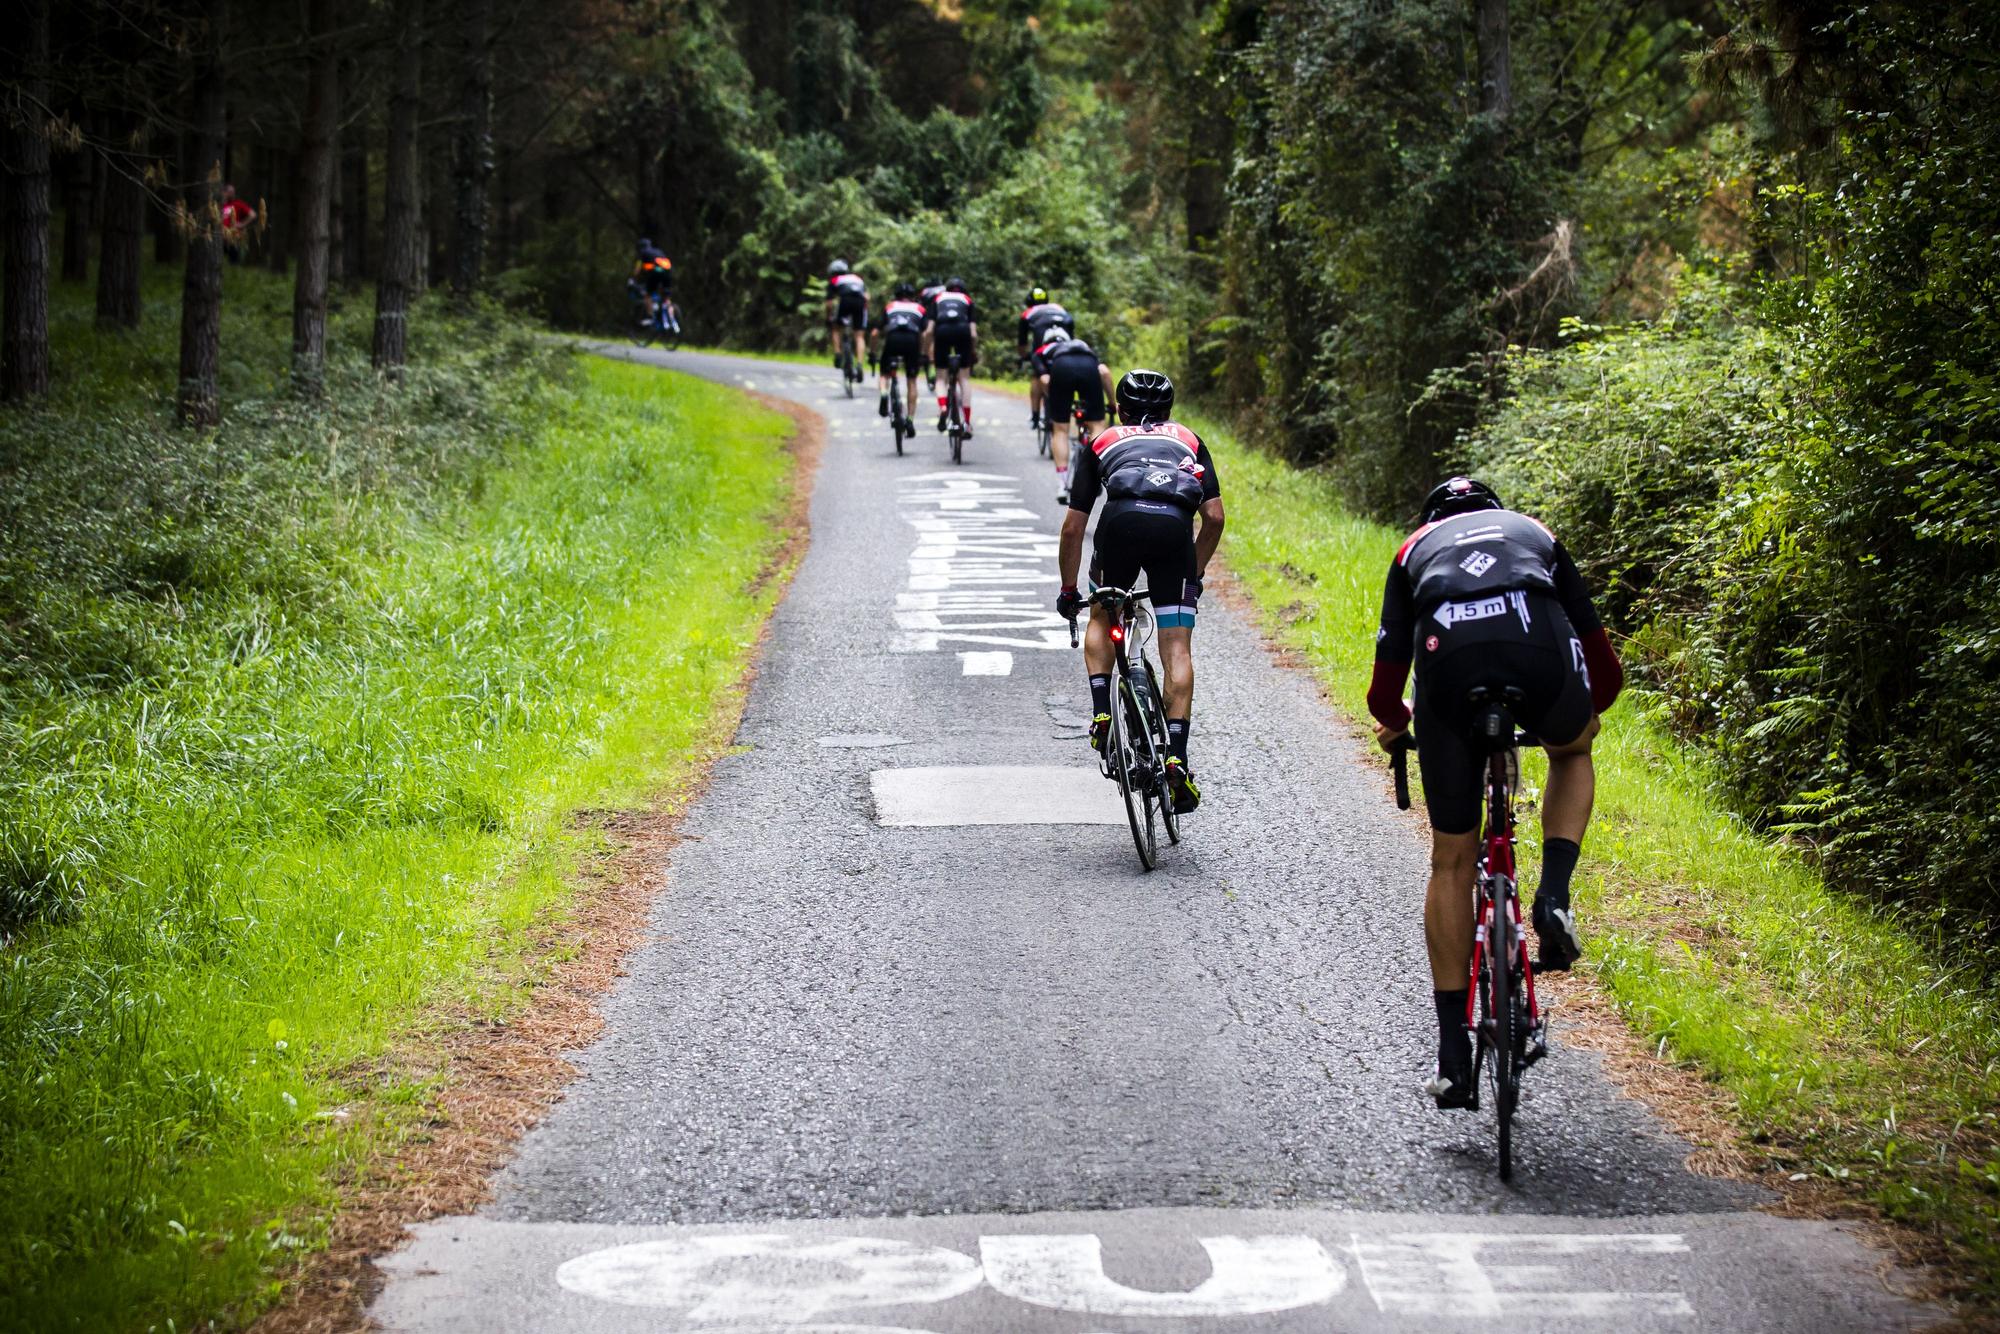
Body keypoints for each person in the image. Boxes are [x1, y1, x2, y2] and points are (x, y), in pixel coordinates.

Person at [1365, 476, 1624, 1110]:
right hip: (1535, 648)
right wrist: (1572, 721)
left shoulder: (1411, 550)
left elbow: (1383, 693)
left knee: (1451, 860)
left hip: (1449, 664)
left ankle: (1454, 1058)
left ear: (1431, 519)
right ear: (1495, 513)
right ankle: (1553, 894)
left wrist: (1399, 728)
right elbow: (1606, 669)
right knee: (1573, 751)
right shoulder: (1536, 534)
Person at [1055, 370, 1225, 816]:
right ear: (1169, 411)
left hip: (1121, 527)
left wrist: (1070, 591)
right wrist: (1197, 571)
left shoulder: (1102, 441)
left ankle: (1101, 711)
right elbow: (1215, 518)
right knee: (1176, 649)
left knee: (1102, 617)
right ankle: (1176, 758)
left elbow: (1074, 527)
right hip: (1174, 532)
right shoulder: (1188, 438)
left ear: (1119, 408)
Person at [1031, 330, 1115, 505]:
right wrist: (1112, 403)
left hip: (1062, 368)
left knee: (1060, 430)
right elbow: (1104, 372)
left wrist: (1054, 400)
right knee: (1097, 425)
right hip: (1088, 366)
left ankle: (1062, 484)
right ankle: (1096, 470)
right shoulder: (1084, 346)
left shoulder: (1041, 351)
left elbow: (1045, 380)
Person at [1016, 286, 1076, 428]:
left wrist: (1025, 356)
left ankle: (1035, 416)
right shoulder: (1058, 307)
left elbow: (1022, 343)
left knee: (1037, 375)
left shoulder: (1027, 313)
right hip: (1065, 341)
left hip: (1044, 343)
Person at [871, 282, 928, 431]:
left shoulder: (890, 307)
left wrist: (872, 352)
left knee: (884, 374)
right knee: (911, 381)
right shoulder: (919, 308)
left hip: (893, 339)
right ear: (912, 296)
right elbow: (925, 334)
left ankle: (884, 394)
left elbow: (875, 333)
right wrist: (923, 353)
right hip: (912, 341)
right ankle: (910, 420)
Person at [926, 277, 978, 436]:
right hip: (963, 331)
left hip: (942, 331)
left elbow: (929, 331)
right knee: (964, 378)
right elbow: (973, 334)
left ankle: (942, 407)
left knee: (941, 377)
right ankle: (967, 422)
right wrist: (972, 351)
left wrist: (926, 351)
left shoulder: (937, 299)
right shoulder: (967, 300)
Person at [826, 260, 868, 373]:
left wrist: (829, 316)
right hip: (860, 303)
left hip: (845, 301)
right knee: (859, 336)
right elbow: (867, 297)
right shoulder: (857, 278)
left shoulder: (835, 280)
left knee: (835, 327)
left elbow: (829, 303)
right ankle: (859, 364)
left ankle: (838, 354)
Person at [630, 239, 678, 331]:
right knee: (667, 299)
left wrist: (633, 279)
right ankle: (672, 319)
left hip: (656, 273)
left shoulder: (643, 253)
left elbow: (637, 270)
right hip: (668, 272)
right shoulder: (658, 251)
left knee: (648, 295)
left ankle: (650, 316)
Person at [219, 184, 255, 264]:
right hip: (219, 237)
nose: (232, 194)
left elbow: (252, 214)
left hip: (233, 237)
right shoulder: (219, 205)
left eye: (233, 192)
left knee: (233, 261)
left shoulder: (237, 204)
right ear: (224, 192)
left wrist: (242, 224)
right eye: (230, 192)